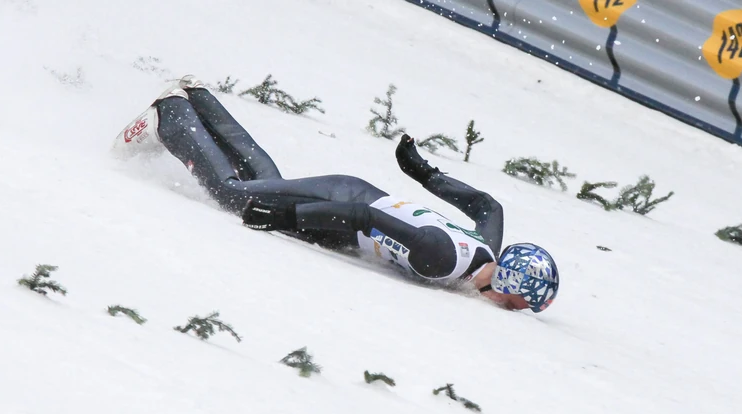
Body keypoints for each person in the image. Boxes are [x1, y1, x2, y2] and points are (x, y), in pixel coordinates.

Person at [113, 75, 559, 312]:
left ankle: (197, 97)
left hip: (348, 209)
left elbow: (488, 207)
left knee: (266, 180)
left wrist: (424, 172)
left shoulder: (487, 250)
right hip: (346, 203)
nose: (511, 310)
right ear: (505, 284)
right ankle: (171, 117)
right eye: (515, 304)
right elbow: (366, 218)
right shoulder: (442, 259)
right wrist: (289, 220)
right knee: (236, 195)